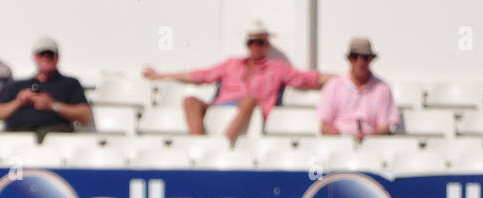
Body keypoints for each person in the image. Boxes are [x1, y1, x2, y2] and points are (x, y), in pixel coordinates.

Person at [142, 20, 329, 144]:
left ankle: (223, 143)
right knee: (190, 100)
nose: (255, 46)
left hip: (249, 110)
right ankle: (197, 144)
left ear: (267, 44)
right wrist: (162, 75)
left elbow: (309, 78)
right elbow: (201, 75)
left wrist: (347, 76)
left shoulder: (277, 68)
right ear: (247, 44)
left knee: (248, 99)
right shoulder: (232, 64)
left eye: (260, 42)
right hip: (221, 106)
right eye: (252, 42)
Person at [317, 37, 399, 139]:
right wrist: (338, 135)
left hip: (371, 146)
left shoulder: (383, 89)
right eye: (355, 56)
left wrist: (368, 137)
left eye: (364, 57)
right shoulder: (333, 86)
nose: (360, 62)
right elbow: (324, 126)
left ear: (370, 59)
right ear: (349, 59)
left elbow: (385, 127)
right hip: (339, 143)